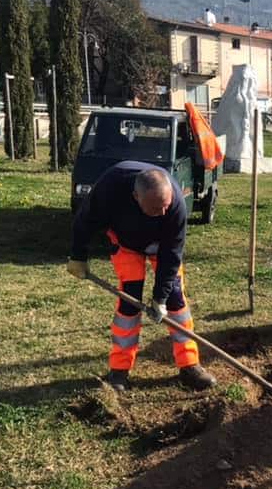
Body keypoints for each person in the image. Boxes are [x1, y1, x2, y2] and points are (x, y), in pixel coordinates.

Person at [67, 161, 217, 392]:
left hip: (162, 247)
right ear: (136, 197)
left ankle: (190, 366)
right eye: (156, 209)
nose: (163, 212)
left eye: (165, 206)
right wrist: (78, 255)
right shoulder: (111, 187)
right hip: (126, 243)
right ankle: (119, 370)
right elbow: (85, 219)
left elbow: (172, 253)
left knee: (176, 300)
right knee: (129, 302)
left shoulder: (174, 204)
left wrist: (160, 298)